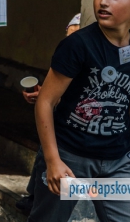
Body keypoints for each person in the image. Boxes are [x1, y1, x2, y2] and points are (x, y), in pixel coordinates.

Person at [29, 0, 130, 221]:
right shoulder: (77, 45)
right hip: (69, 158)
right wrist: (52, 159)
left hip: (118, 162)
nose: (103, 2)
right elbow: (45, 102)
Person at [16, 13, 81, 216]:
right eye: (69, 36)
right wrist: (42, 94)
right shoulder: (67, 57)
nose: (72, 42)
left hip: (77, 133)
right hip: (62, 124)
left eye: (77, 36)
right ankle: (34, 195)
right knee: (45, 152)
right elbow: (54, 94)